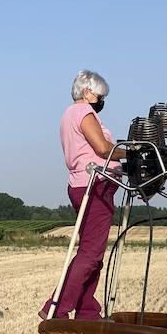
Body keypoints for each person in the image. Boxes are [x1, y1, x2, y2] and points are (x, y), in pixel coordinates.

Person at [41, 70, 124, 320]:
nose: (102, 101)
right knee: (90, 254)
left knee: (93, 253)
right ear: (87, 92)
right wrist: (133, 152)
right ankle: (56, 308)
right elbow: (102, 148)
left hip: (83, 184)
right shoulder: (83, 113)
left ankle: (87, 309)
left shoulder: (69, 114)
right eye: (100, 95)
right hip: (95, 185)